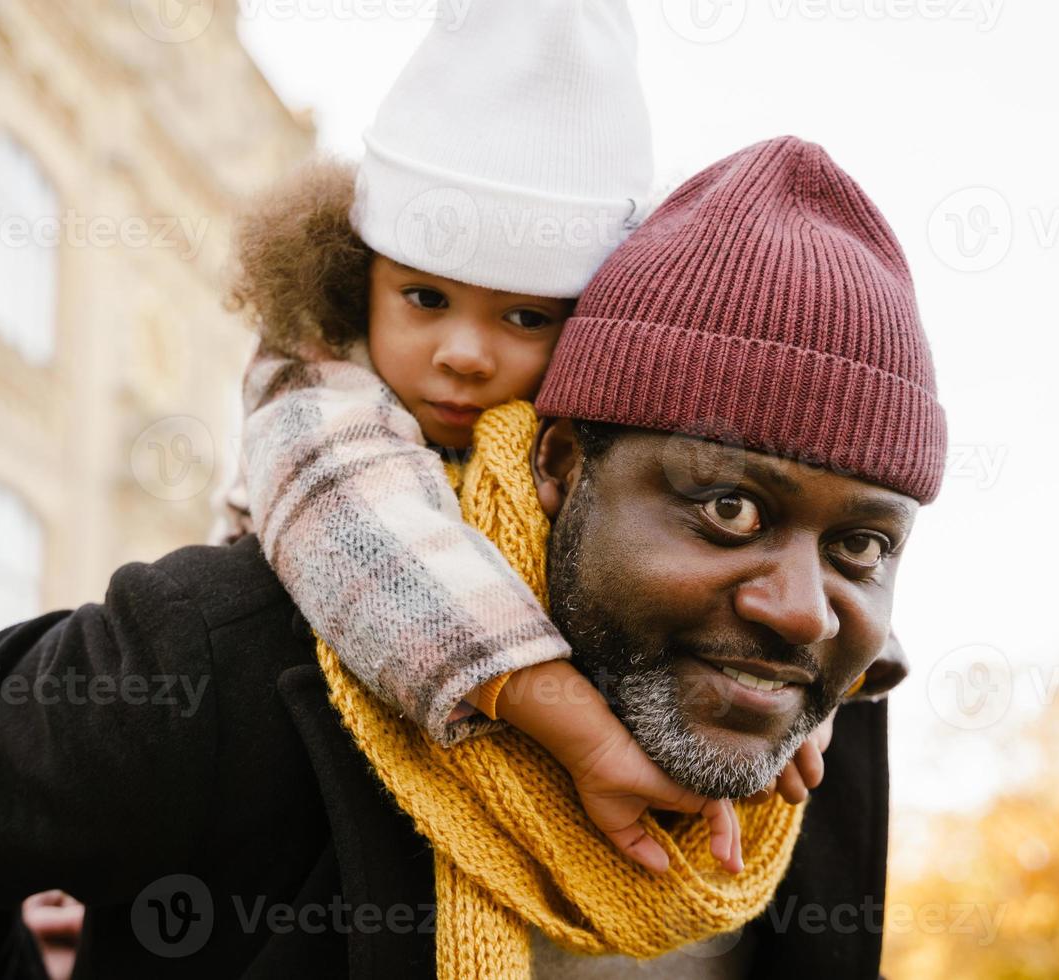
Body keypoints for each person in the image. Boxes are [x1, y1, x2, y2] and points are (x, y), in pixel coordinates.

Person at [0, 136, 944, 978]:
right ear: (560, 463)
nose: (803, 608)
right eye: (731, 511)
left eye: (859, 542)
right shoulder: (240, 648)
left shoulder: (822, 746)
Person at [209, 0, 849, 875]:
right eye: (425, 298)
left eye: (523, 315)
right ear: (356, 280)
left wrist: (792, 684)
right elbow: (363, 529)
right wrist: (581, 733)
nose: (466, 355)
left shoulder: (597, 446)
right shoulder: (311, 381)